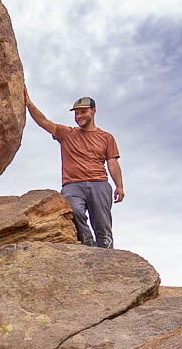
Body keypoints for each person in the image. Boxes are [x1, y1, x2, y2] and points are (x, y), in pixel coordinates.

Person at [24, 91, 124, 248]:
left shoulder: (106, 137)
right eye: (77, 113)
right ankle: (87, 243)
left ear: (93, 111)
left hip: (99, 184)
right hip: (73, 185)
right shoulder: (67, 134)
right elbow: (44, 121)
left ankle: (106, 255)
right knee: (75, 211)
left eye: (83, 112)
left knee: (102, 224)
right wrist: (29, 104)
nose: (79, 116)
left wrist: (119, 186)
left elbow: (112, 162)